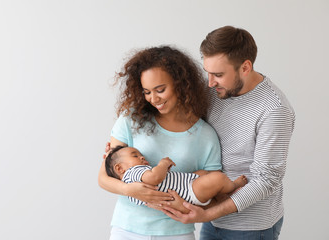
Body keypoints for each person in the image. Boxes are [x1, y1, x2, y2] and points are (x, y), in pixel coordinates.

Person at [162, 26, 296, 240]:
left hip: (251, 226)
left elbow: (266, 180)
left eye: (218, 74)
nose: (209, 82)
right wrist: (124, 148)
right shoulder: (214, 92)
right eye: (208, 72)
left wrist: (206, 213)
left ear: (245, 67)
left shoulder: (274, 110)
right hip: (212, 218)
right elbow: (180, 127)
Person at [98, 46, 223, 239]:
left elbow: (215, 195)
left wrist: (186, 207)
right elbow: (104, 178)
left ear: (180, 84)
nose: (153, 99)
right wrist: (131, 190)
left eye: (160, 90)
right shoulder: (130, 120)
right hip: (127, 229)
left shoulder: (205, 135)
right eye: (146, 91)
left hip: (176, 233)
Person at [105, 145, 247, 210]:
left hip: (189, 185)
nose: (141, 156)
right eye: (135, 155)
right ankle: (233, 186)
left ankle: (222, 194)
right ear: (119, 168)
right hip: (190, 191)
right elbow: (155, 178)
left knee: (203, 173)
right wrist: (163, 163)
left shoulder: (132, 184)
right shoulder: (133, 173)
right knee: (218, 178)